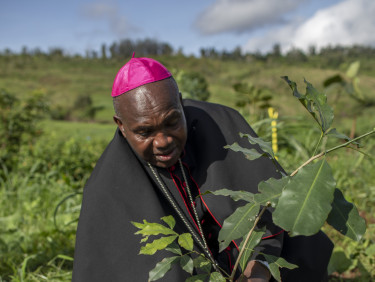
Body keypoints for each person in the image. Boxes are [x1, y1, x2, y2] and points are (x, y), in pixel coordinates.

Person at [72, 55, 333, 281]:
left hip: (254, 268)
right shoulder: (106, 187)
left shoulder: (222, 124)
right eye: (145, 132)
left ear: (181, 103)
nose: (163, 142)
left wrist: (258, 271)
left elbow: (269, 208)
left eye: (172, 122)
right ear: (121, 125)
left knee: (299, 239)